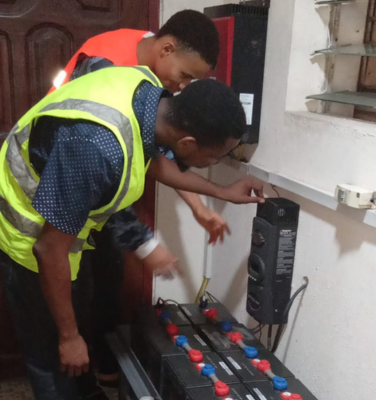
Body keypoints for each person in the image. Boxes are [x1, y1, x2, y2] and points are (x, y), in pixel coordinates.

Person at [0, 66, 263, 400]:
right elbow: (49, 250)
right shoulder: (96, 148)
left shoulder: (148, 91)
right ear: (187, 142)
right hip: (27, 235)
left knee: (74, 337)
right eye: (213, 157)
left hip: (65, 231)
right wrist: (68, 336)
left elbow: (151, 159)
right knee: (53, 357)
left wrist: (222, 191)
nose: (215, 160)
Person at [50, 10, 230, 393]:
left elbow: (158, 150)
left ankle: (104, 375)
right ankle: (77, 360)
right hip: (56, 192)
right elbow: (98, 174)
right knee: (66, 303)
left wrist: (201, 205)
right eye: (185, 77)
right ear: (166, 49)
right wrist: (148, 245)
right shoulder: (108, 74)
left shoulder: (154, 57)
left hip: (82, 191)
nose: (182, 89)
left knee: (106, 283)